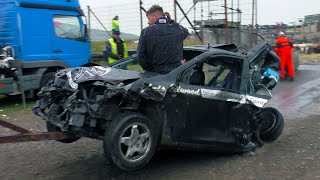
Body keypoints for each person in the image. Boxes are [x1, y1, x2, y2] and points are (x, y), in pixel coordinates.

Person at [137, 5, 189, 74]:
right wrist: (171, 21)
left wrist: (150, 69)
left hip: (155, 74)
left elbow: (141, 56)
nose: (148, 22)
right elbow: (186, 32)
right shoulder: (178, 29)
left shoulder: (146, 32)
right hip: (176, 73)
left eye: (149, 18)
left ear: (153, 17)